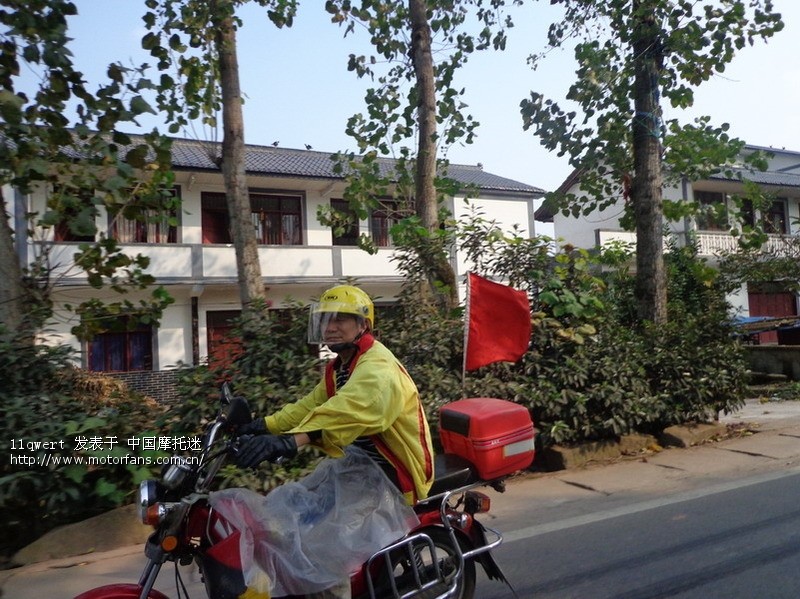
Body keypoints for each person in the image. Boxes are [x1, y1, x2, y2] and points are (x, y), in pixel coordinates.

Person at [235, 283, 435, 505]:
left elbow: (347, 411)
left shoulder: (378, 365)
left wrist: (290, 442)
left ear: (363, 325)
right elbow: (310, 406)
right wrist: (263, 425)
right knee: (299, 507)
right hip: (362, 466)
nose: (329, 327)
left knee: (311, 516)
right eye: (324, 320)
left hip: (395, 473)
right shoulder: (340, 367)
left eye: (339, 319)